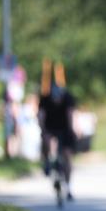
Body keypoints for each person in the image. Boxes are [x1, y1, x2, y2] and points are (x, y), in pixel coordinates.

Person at [38, 60, 77, 201]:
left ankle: (68, 186)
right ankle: (47, 161)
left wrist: (72, 130)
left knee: (67, 156)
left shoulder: (68, 98)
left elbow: (70, 114)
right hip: (50, 127)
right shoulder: (45, 98)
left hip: (64, 128)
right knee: (48, 142)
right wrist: (42, 130)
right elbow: (41, 115)